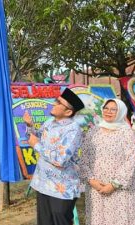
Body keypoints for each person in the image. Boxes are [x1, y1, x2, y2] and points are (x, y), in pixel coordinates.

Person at [23, 88, 84, 225]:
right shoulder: (50, 122)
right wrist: (30, 126)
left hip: (62, 187)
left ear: (68, 112)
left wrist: (37, 145)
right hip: (43, 183)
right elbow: (35, 137)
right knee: (44, 222)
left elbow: (60, 160)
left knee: (60, 221)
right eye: (56, 100)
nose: (53, 103)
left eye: (58, 102)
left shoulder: (73, 129)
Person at [79, 99, 135, 225]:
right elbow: (83, 158)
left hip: (120, 191)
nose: (108, 112)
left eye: (113, 109)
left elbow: (132, 160)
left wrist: (113, 185)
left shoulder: (126, 132)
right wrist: (92, 181)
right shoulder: (93, 131)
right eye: (106, 108)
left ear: (121, 112)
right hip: (96, 190)